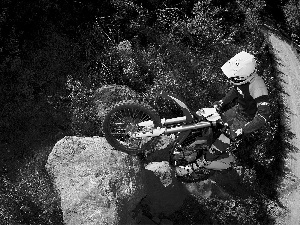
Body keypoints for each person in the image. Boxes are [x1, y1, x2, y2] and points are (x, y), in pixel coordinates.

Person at [176, 51, 270, 176]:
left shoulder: (258, 87)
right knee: (209, 123)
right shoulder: (243, 79)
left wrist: (243, 130)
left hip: (246, 120)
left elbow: (263, 117)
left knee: (222, 141)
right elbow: (235, 90)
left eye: (233, 78)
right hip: (237, 110)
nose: (231, 80)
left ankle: (193, 167)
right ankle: (189, 146)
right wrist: (222, 102)